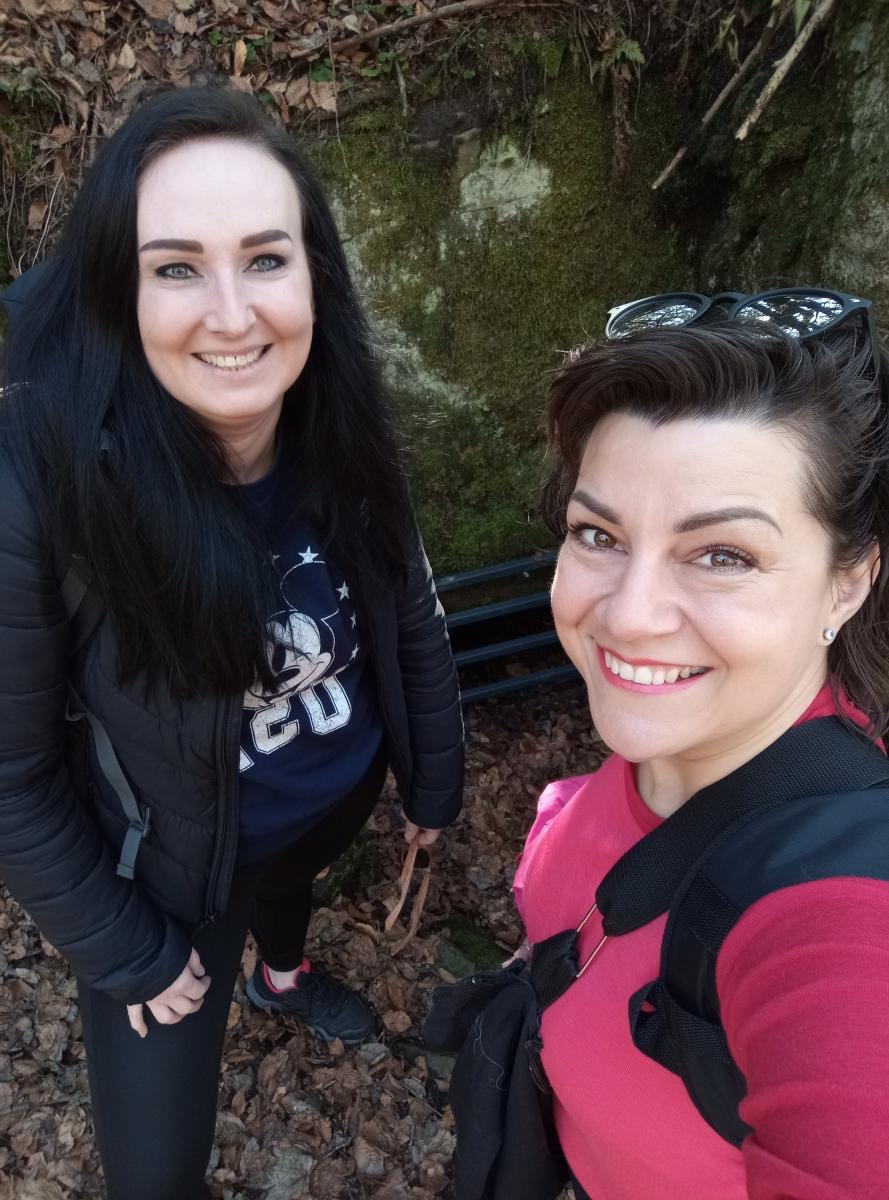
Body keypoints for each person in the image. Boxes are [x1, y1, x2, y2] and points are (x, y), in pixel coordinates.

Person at [0, 85, 463, 1199]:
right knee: (155, 1172)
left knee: (288, 886)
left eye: (264, 258)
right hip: (174, 878)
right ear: (118, 289)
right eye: (175, 268)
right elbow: (10, 774)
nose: (231, 313)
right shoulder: (43, 486)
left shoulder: (342, 420)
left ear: (315, 276)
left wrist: (433, 780)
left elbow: (406, 609)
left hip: (327, 801)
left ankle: (281, 976)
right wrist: (129, 951)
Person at [512, 292, 889, 1199]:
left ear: (846, 584)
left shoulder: (844, 921)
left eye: (722, 555)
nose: (628, 617)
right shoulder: (675, 746)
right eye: (598, 535)